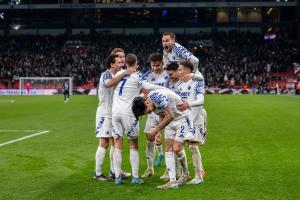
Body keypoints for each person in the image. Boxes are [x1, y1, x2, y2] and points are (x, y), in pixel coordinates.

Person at [112, 53, 163, 185]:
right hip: (129, 113)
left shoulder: (118, 74)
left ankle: (117, 177)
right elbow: (149, 86)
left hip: (115, 112)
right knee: (133, 144)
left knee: (117, 144)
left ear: (125, 63)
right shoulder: (137, 75)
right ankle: (135, 178)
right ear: (136, 63)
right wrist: (165, 88)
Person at [132, 89, 195, 190]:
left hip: (183, 118)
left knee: (177, 148)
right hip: (170, 122)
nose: (149, 113)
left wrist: (156, 130)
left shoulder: (157, 97)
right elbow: (162, 114)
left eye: (147, 111)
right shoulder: (151, 104)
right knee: (168, 149)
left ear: (147, 102)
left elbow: (171, 115)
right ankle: (172, 181)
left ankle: (185, 174)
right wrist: (158, 133)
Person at [94, 54, 135, 181]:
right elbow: (109, 84)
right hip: (105, 113)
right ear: (112, 64)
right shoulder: (106, 74)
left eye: (122, 60)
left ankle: (114, 171)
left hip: (114, 113)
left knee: (115, 141)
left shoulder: (119, 74)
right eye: (118, 61)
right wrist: (124, 74)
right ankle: (98, 174)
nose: (122, 62)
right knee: (104, 142)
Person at [177, 61, 207, 185]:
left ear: (188, 71)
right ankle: (190, 172)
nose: (178, 72)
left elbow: (201, 100)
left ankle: (199, 176)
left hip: (197, 117)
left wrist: (189, 104)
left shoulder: (197, 82)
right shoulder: (180, 86)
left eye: (180, 70)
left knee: (193, 146)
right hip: (186, 119)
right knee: (184, 146)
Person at [141, 53, 168, 179]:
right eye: (153, 65)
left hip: (167, 111)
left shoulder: (169, 74)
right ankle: (150, 169)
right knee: (149, 138)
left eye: (158, 65)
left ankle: (169, 171)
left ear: (162, 63)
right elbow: (144, 92)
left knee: (169, 141)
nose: (155, 68)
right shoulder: (148, 76)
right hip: (153, 111)